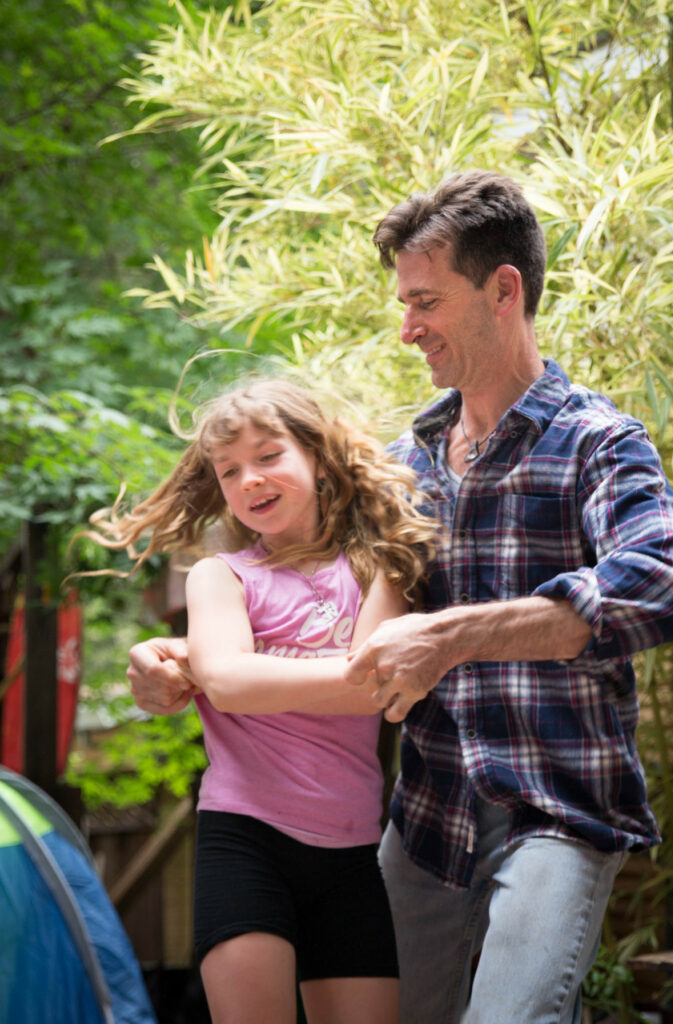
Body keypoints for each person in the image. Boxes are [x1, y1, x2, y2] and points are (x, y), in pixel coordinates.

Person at [127, 172, 673, 1024]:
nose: (407, 329)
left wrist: (457, 635)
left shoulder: (598, 440)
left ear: (502, 290)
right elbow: (303, 581)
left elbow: (667, 581)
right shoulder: (406, 463)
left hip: (558, 808)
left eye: (426, 302)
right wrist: (174, 660)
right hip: (428, 815)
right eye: (404, 302)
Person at [84, 379, 438, 1024]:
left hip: (352, 851)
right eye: (229, 471)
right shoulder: (222, 578)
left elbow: (372, 691)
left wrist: (253, 669)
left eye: (269, 455)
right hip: (245, 842)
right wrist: (241, 673)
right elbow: (228, 683)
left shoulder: (380, 568)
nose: (250, 478)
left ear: (319, 458)